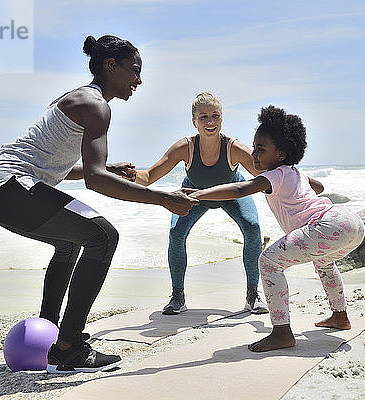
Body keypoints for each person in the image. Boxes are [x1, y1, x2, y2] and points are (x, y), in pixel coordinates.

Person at [0, 34, 198, 373]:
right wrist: (163, 198)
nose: (139, 80)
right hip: (4, 183)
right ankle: (69, 348)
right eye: (134, 71)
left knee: (70, 241)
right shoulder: (96, 105)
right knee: (103, 236)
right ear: (111, 65)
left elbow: (54, 165)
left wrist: (107, 168)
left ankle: (52, 332)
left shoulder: (80, 98)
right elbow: (96, 179)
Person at [189, 105, 365, 352]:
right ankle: (339, 315)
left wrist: (199, 194)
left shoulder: (273, 175)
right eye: (254, 147)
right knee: (324, 263)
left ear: (281, 154)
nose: (254, 154)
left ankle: (282, 332)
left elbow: (240, 189)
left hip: (327, 225)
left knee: (269, 262)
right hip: (351, 223)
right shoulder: (294, 172)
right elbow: (320, 187)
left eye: (261, 149)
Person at [135, 93, 322, 316]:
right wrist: (123, 175)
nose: (210, 121)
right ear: (194, 121)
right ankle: (178, 297)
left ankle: (253, 295)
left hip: (233, 194)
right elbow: (147, 177)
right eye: (203, 117)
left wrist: (305, 182)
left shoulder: (233, 148)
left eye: (215, 116)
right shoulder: (184, 147)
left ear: (222, 119)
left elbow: (272, 173)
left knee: (252, 228)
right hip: (196, 194)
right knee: (176, 233)